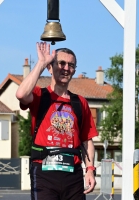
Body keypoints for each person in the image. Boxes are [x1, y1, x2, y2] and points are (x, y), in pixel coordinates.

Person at [16, 42, 98, 200]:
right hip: (44, 173)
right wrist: (41, 63)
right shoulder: (40, 95)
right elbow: (21, 94)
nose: (66, 68)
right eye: (61, 63)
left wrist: (90, 169)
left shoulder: (80, 103)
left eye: (71, 65)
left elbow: (87, 141)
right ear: (50, 67)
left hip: (73, 175)